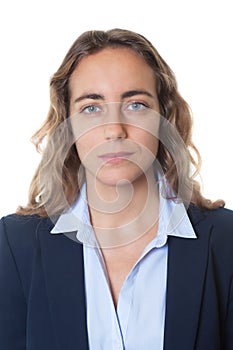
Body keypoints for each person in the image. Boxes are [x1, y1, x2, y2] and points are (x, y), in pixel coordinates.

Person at [0, 28, 232, 350]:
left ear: (163, 115)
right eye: (91, 107)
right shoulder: (14, 245)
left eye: (136, 104)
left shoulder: (225, 241)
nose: (114, 130)